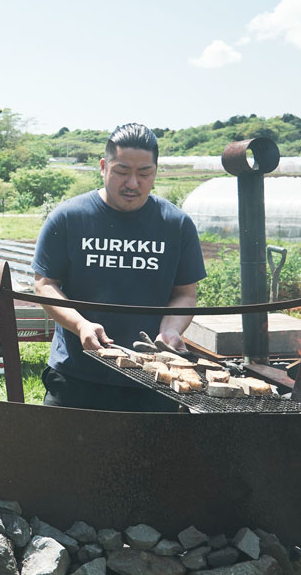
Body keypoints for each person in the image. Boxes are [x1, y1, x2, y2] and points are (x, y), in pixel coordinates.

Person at [32, 123, 206, 412]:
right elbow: (44, 283)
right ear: (103, 167)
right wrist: (80, 325)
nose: (133, 183)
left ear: (155, 172)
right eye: (122, 172)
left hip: (153, 379)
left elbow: (185, 293)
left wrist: (171, 330)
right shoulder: (69, 217)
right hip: (76, 375)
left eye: (144, 173)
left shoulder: (176, 225)